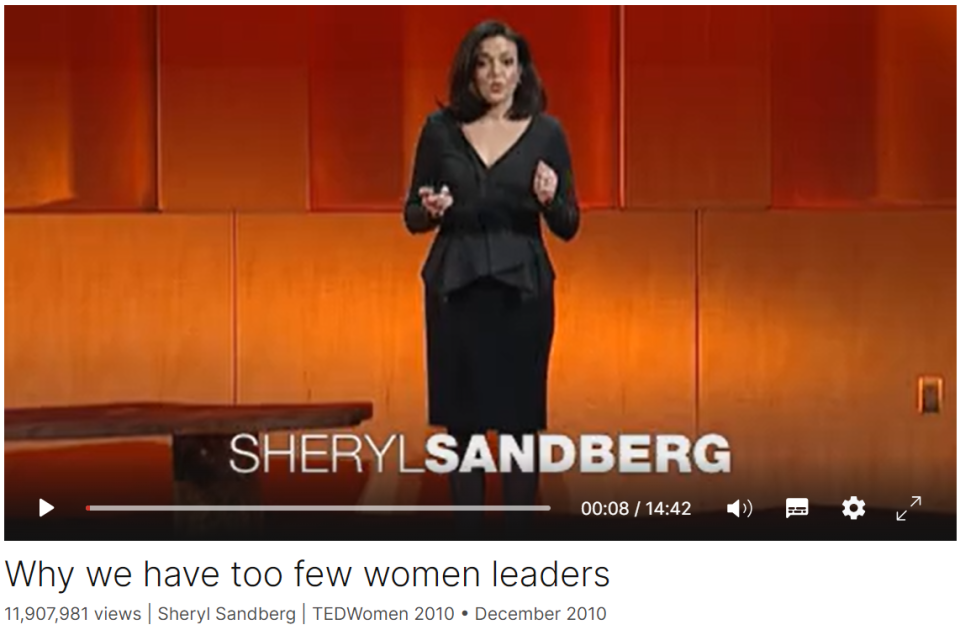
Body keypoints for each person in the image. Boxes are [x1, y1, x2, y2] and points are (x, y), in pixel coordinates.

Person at [403, 20, 579, 533]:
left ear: (521, 71)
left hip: (521, 295)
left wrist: (549, 199)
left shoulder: (548, 132)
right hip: (455, 291)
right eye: (484, 62)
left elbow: (569, 224)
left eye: (506, 61)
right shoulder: (439, 130)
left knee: (521, 425)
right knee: (463, 428)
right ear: (469, 70)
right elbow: (411, 213)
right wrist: (430, 208)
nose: (496, 73)